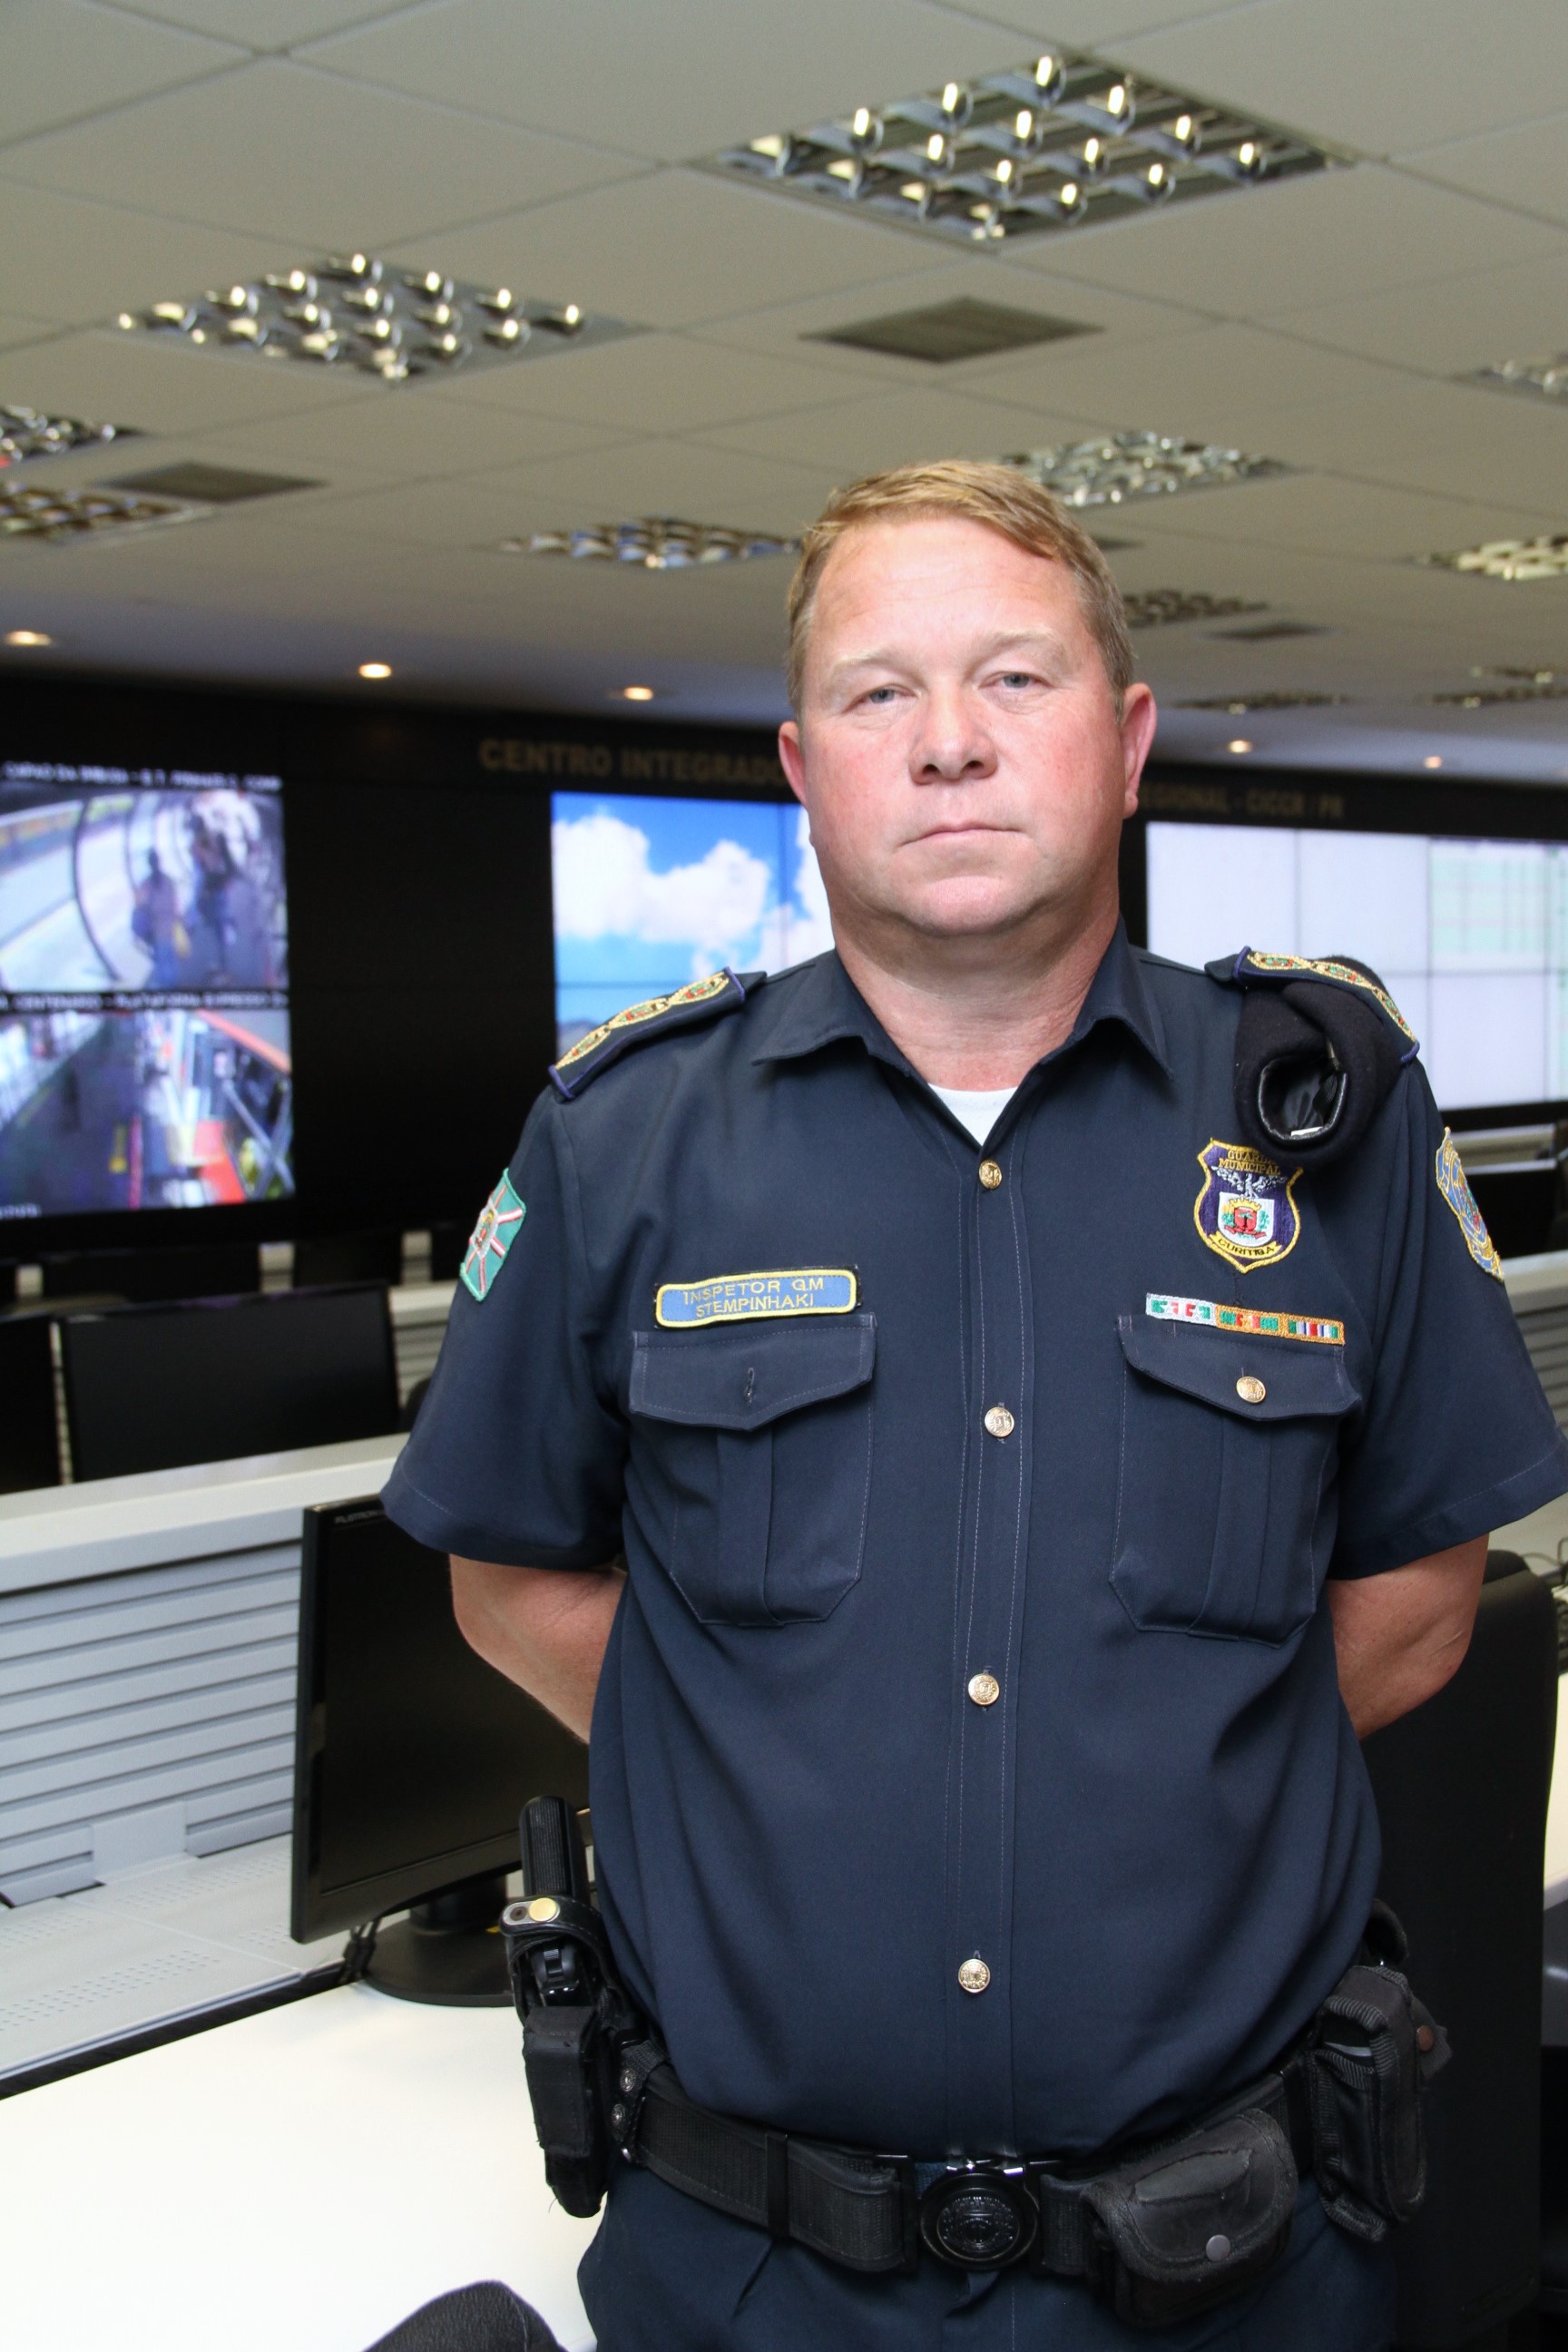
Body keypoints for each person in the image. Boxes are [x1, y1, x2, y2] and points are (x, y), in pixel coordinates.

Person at [383, 461, 1568, 2351]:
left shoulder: (1320, 1128)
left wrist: (1153, 1763)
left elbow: (1424, 1594)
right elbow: (508, 1577)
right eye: (881, 692)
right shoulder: (627, 1140)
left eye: (1015, 678)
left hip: (1232, 2270)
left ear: (1129, 740)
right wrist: (773, 1767)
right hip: (751, 2273)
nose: (948, 742)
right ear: (802, 769)